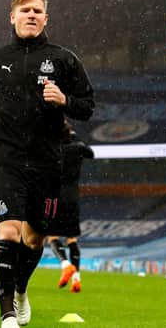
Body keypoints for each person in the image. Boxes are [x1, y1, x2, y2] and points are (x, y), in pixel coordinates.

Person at [0, 0, 95, 328]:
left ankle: (20, 290)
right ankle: (7, 314)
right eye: (25, 10)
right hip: (5, 158)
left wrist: (64, 100)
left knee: (34, 238)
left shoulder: (64, 59)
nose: (31, 15)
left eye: (37, 11)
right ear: (13, 17)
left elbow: (87, 106)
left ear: (45, 18)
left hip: (47, 161)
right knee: (7, 232)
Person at [47, 120, 94, 293]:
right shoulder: (78, 147)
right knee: (72, 238)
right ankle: (77, 278)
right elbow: (91, 153)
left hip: (54, 197)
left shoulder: (53, 150)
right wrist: (76, 138)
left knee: (52, 236)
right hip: (72, 197)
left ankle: (65, 264)